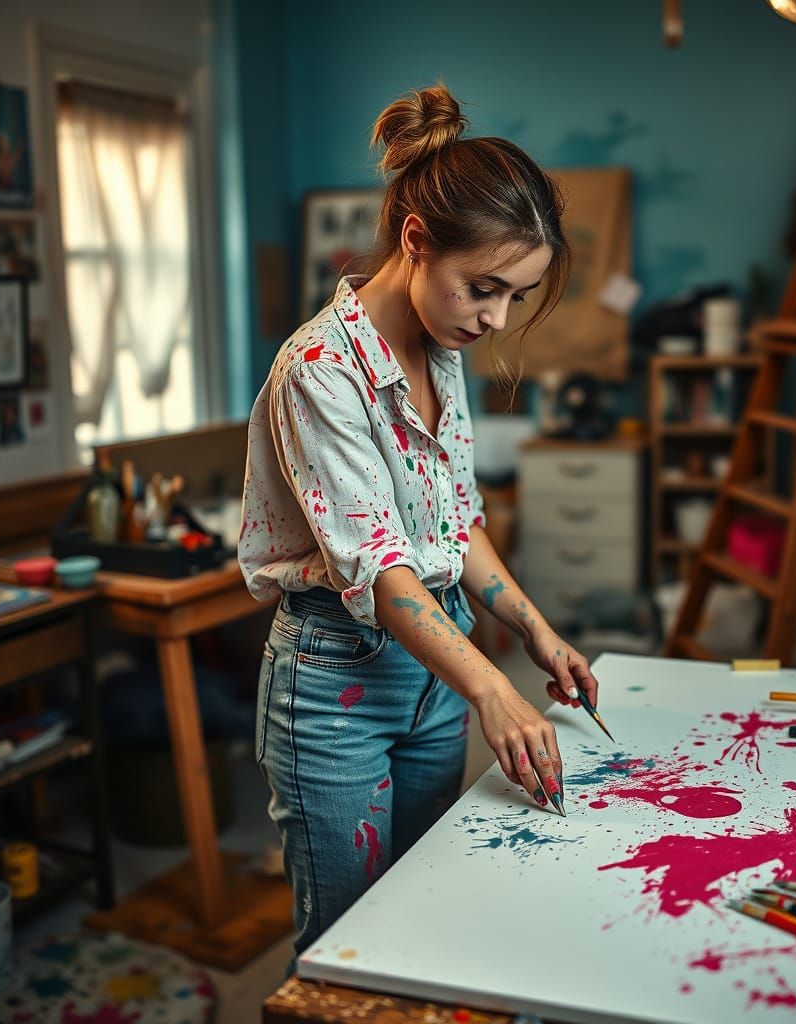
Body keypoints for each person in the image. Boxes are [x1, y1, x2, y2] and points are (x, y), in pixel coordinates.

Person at [239, 83, 601, 958]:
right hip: (335, 686)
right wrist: (495, 689)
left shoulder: (444, 349)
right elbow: (381, 571)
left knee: (427, 915)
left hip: (433, 674)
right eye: (484, 288)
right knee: (350, 947)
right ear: (414, 241)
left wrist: (534, 630)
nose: (495, 319)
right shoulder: (319, 370)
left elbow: (454, 524)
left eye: (515, 297)